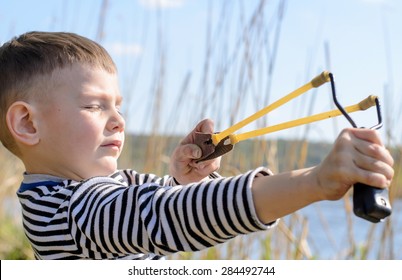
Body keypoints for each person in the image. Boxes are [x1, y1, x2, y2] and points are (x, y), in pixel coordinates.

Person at [0, 31, 394, 260]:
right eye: (94, 105)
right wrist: (316, 180)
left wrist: (182, 182)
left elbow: (158, 207)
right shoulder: (68, 211)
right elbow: (169, 216)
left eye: (117, 106)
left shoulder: (107, 187)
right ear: (27, 123)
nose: (118, 119)